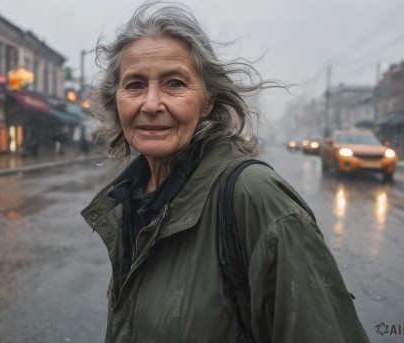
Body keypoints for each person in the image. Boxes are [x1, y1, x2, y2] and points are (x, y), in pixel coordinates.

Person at [81, 2, 370, 342]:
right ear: (116, 98)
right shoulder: (131, 198)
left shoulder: (256, 198)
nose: (151, 103)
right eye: (134, 85)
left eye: (174, 83)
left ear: (208, 101)